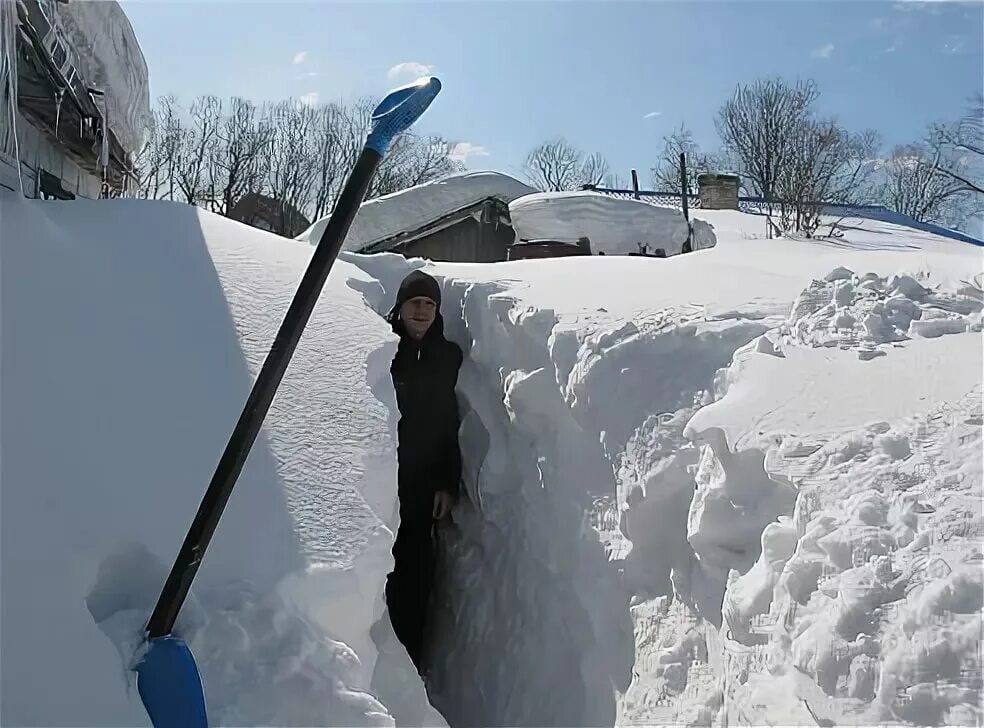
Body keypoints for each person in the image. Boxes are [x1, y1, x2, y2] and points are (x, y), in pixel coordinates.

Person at [383, 270, 463, 675]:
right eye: (414, 302)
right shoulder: (380, 349)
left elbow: (450, 423)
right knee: (380, 573)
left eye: (429, 304)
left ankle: (410, 667)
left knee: (416, 577)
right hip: (381, 483)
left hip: (421, 489)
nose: (421, 310)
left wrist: (449, 483)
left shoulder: (447, 357)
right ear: (399, 307)